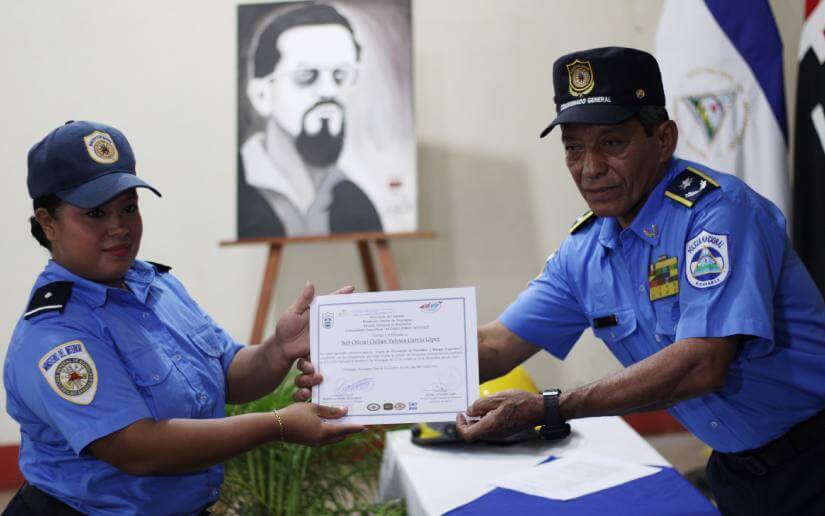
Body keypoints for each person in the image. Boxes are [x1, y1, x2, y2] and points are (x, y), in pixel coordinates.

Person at [294, 47, 825, 515]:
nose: (589, 168)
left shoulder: (717, 215)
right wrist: (348, 365)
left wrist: (551, 407)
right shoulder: (587, 250)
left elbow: (701, 363)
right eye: (573, 148)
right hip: (739, 471)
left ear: (663, 139)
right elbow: (495, 346)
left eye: (612, 143)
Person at [3, 120, 365, 515]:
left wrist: (278, 349)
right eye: (95, 213)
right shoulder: (55, 331)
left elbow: (227, 375)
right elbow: (138, 449)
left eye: (129, 207)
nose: (119, 226)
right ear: (47, 222)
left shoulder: (155, 286)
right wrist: (278, 425)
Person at [239, 2, 383, 238]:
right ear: (262, 96)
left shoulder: (354, 200)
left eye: (341, 75)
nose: (329, 91)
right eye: (306, 76)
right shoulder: (239, 191)